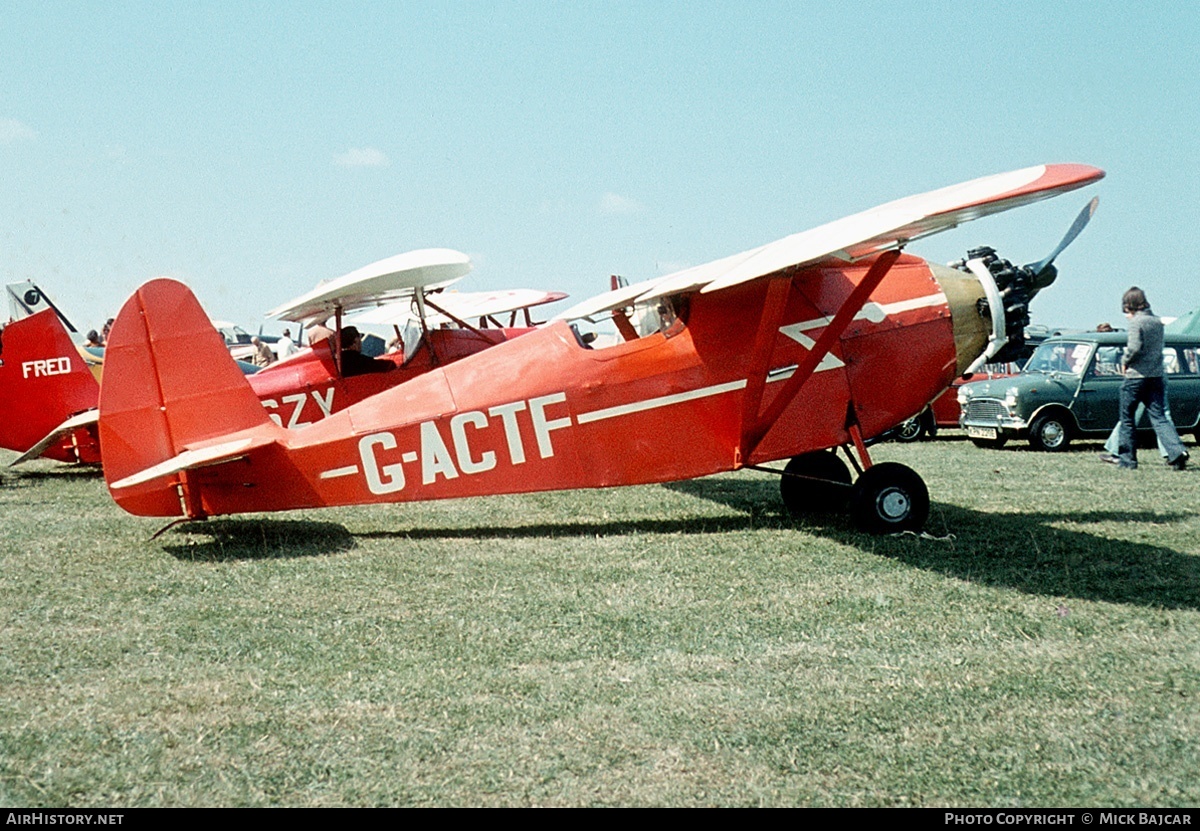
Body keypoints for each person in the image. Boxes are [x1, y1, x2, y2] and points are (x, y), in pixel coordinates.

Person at [1104, 287, 1188, 470]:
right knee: (1159, 417)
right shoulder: (1156, 322)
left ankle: (1127, 460)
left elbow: (1134, 348)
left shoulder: (1137, 323)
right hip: (1156, 375)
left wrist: (1125, 361)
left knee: (1127, 418)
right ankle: (1177, 452)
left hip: (1136, 377)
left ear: (1129, 305)